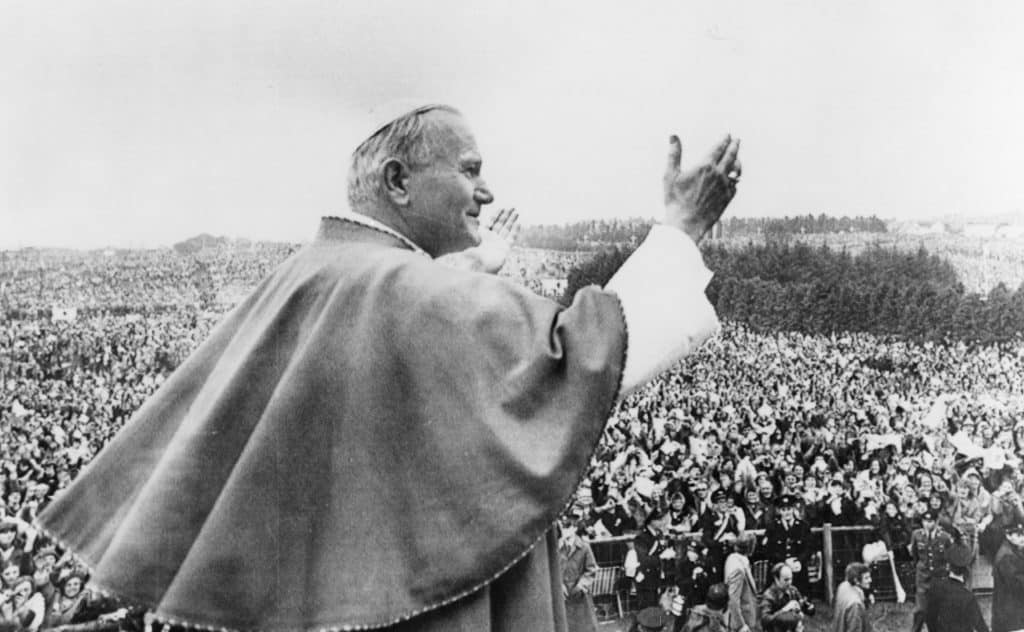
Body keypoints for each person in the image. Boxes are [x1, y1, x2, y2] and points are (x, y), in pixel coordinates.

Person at [34, 102, 742, 632]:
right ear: (399, 181)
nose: (489, 193)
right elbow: (585, 356)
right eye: (469, 170)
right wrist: (680, 233)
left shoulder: (317, 273)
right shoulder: (410, 293)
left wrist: (460, 269)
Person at [924, 539, 988, 632]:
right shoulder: (968, 597)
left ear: (948, 566)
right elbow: (981, 627)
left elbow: (929, 618)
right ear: (967, 570)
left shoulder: (936, 588)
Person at [910, 509, 954, 632]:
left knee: (938, 612)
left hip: (938, 578)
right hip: (923, 579)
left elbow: (949, 557)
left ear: (936, 522)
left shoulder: (944, 537)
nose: (927, 524)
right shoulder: (917, 535)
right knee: (920, 610)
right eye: (925, 521)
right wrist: (920, 570)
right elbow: (914, 556)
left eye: (930, 521)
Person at [764, 495, 812, 592]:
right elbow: (768, 550)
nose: (787, 512)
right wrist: (784, 561)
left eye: (789, 509)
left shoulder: (803, 526)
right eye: (783, 509)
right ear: (779, 511)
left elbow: (809, 548)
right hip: (779, 567)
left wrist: (799, 560)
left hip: (798, 567)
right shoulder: (772, 527)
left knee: (802, 596)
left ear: (793, 509)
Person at [558, 520, 599, 632]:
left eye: (567, 527)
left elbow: (591, 570)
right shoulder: (558, 547)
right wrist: (559, 585)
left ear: (575, 528)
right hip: (563, 595)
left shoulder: (584, 547)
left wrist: (581, 586)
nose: (564, 531)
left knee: (583, 627)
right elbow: (554, 568)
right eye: (563, 527)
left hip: (580, 596)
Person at [759, 563, 813, 632]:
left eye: (791, 578)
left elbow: (805, 608)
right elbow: (765, 620)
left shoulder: (793, 590)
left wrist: (808, 607)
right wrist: (785, 609)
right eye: (786, 580)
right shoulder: (768, 596)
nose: (790, 582)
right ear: (776, 579)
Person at [992, 521, 1024, 632]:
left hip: (1009, 613)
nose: (1022, 538)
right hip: (1011, 616)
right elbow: (1017, 584)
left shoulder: (1010, 550)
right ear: (1008, 535)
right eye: (1018, 535)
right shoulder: (1007, 556)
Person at [724, 533, 758, 632]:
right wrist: (741, 625)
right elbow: (733, 599)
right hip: (742, 620)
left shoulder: (734, 559)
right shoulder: (738, 569)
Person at [832, 562, 872, 632]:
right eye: (866, 578)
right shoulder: (855, 604)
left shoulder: (843, 586)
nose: (870, 580)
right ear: (856, 580)